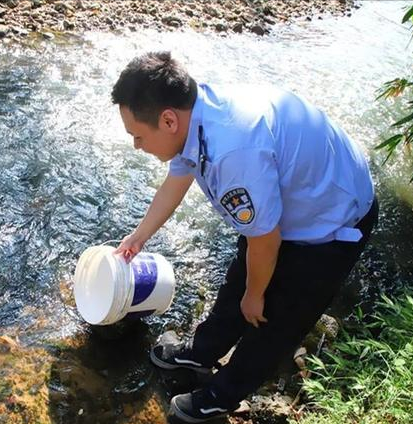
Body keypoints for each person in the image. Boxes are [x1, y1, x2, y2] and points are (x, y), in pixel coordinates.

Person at [111, 51, 378, 423]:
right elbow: (178, 179)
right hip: (291, 201)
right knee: (241, 280)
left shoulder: (233, 152)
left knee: (275, 318)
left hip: (333, 221)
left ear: (168, 120)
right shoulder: (194, 116)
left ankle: (222, 395)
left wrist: (256, 296)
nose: (136, 146)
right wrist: (139, 237)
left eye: (138, 136)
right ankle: (201, 352)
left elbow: (266, 241)